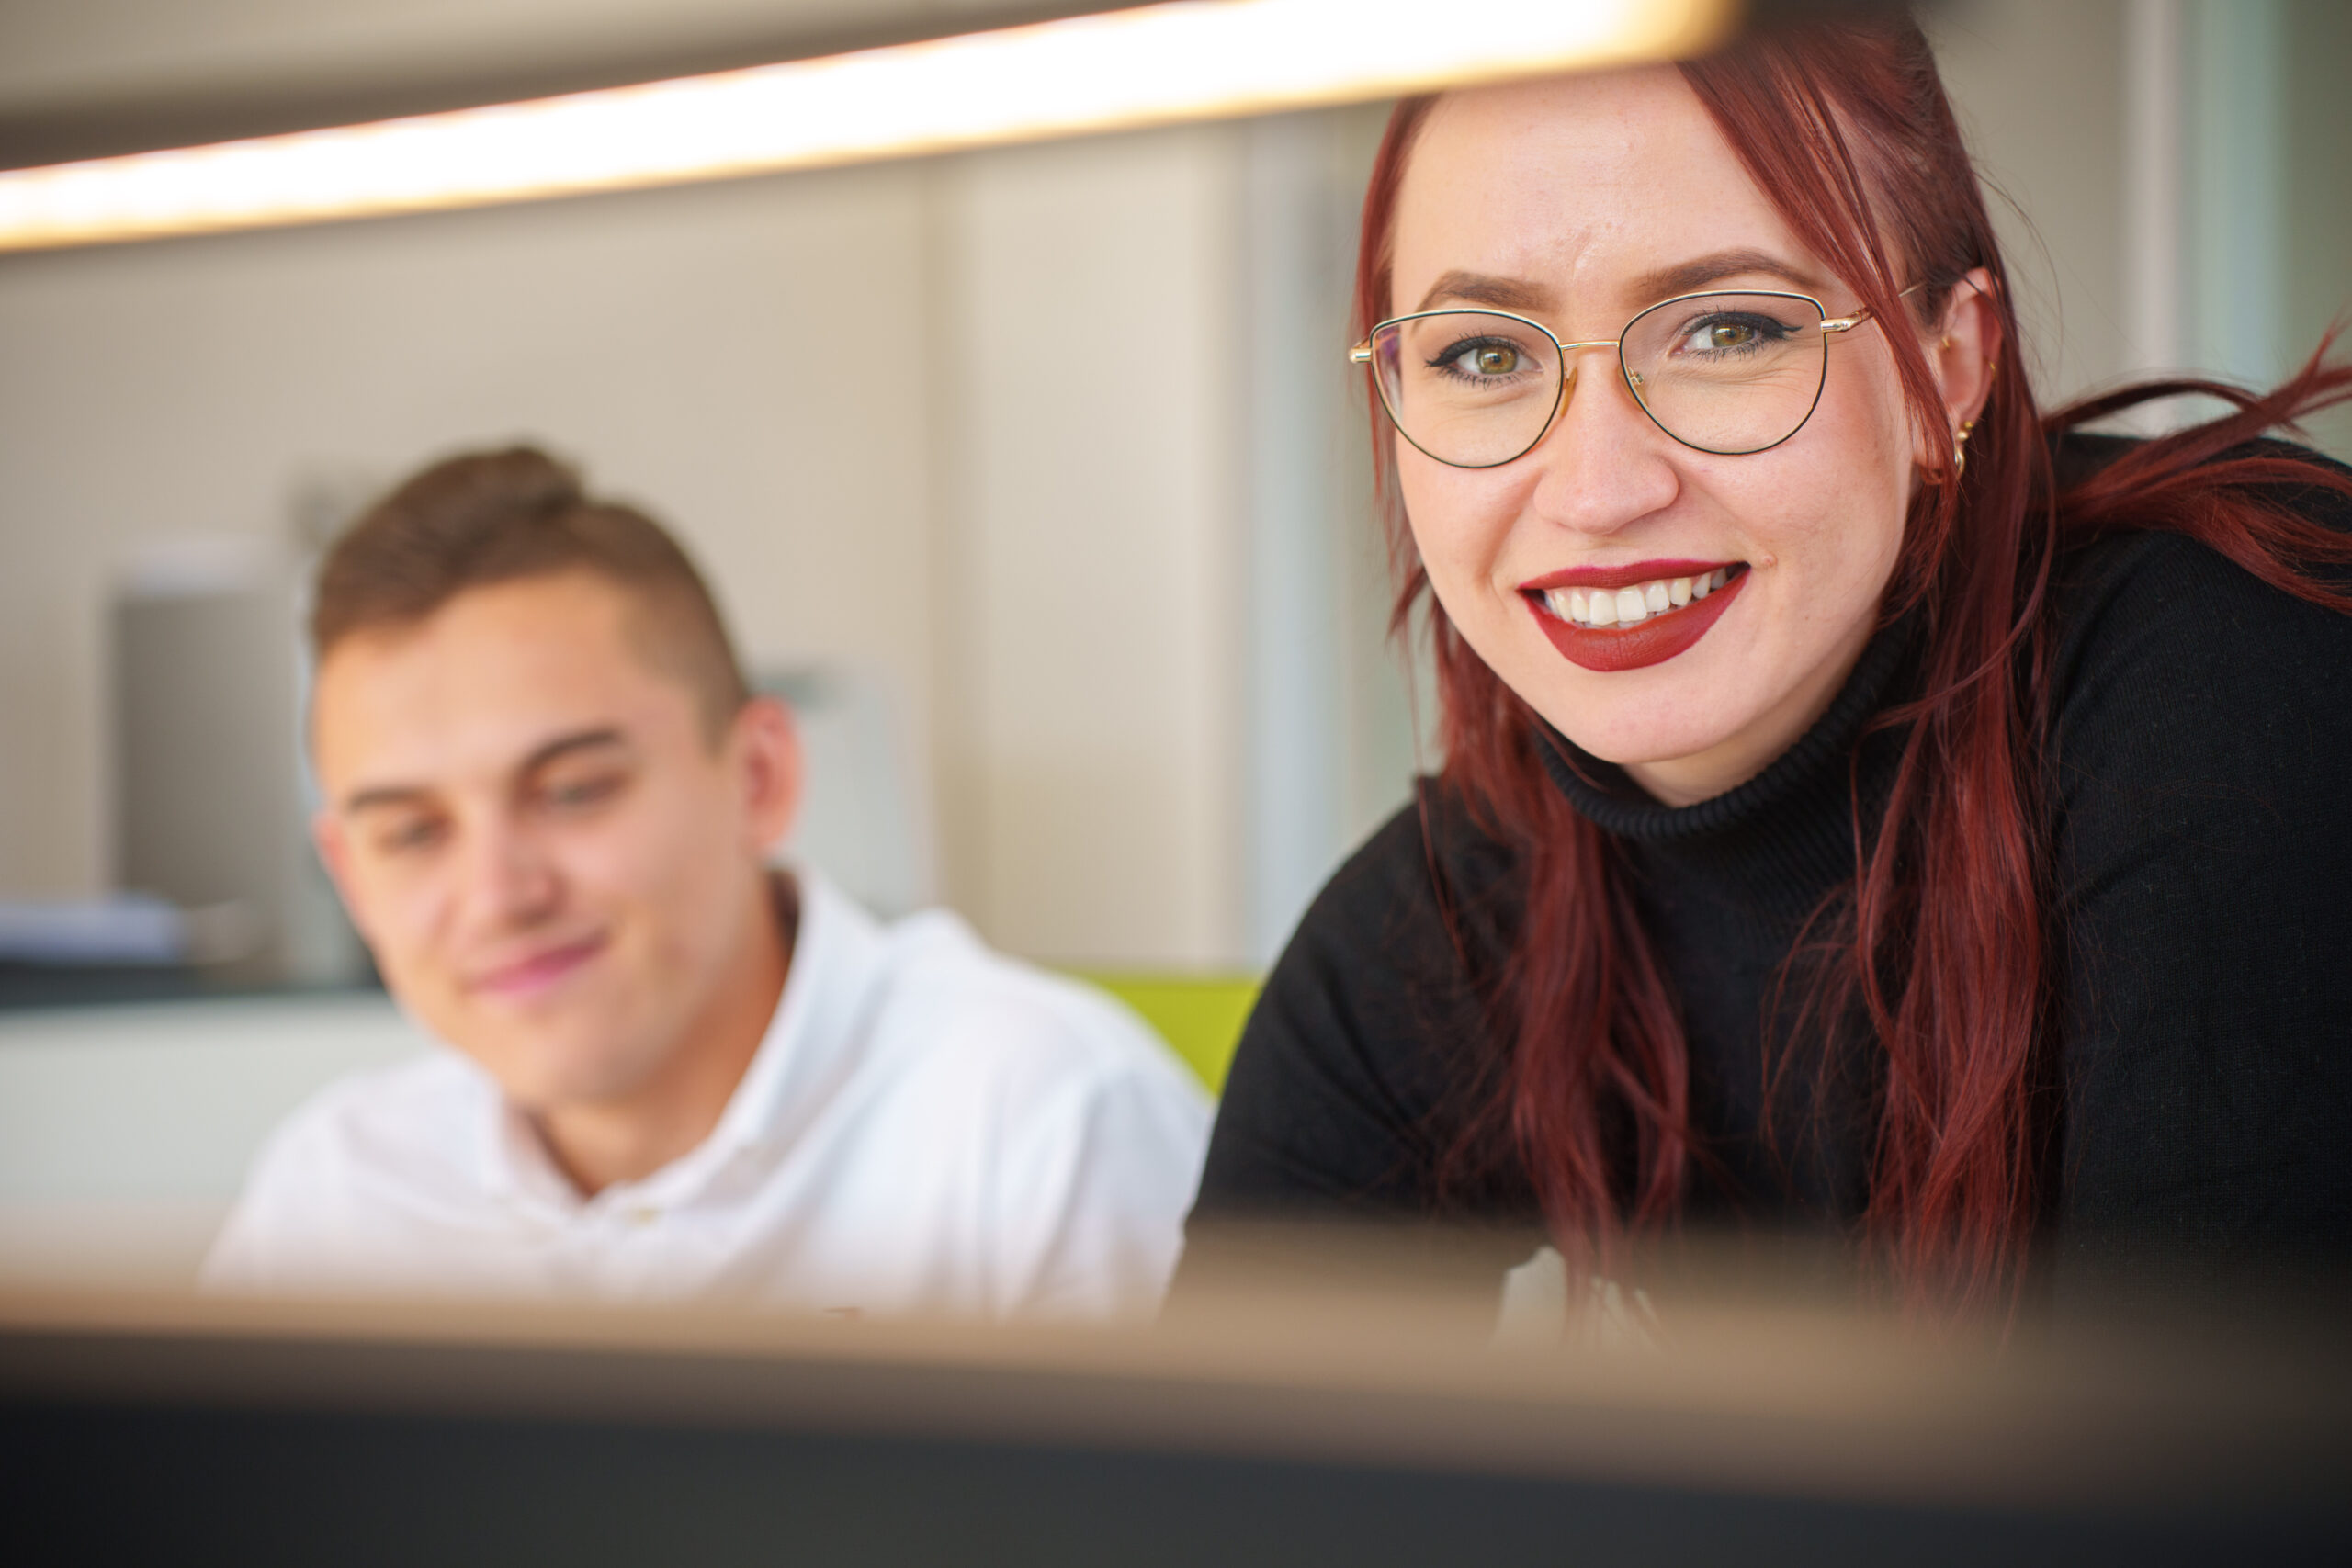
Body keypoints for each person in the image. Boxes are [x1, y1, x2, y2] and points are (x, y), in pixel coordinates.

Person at [1185, 18, 2352, 1319]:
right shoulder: (1461, 910)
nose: (1598, 490)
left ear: (1945, 373)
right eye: (1487, 355)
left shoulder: (2241, 689)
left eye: (1730, 330)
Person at [205, 446, 1210, 1319]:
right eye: (414, 833)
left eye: (572, 792)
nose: (496, 894)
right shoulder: (335, 1193)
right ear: (349, 877)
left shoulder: (1043, 1125)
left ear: (759, 779)